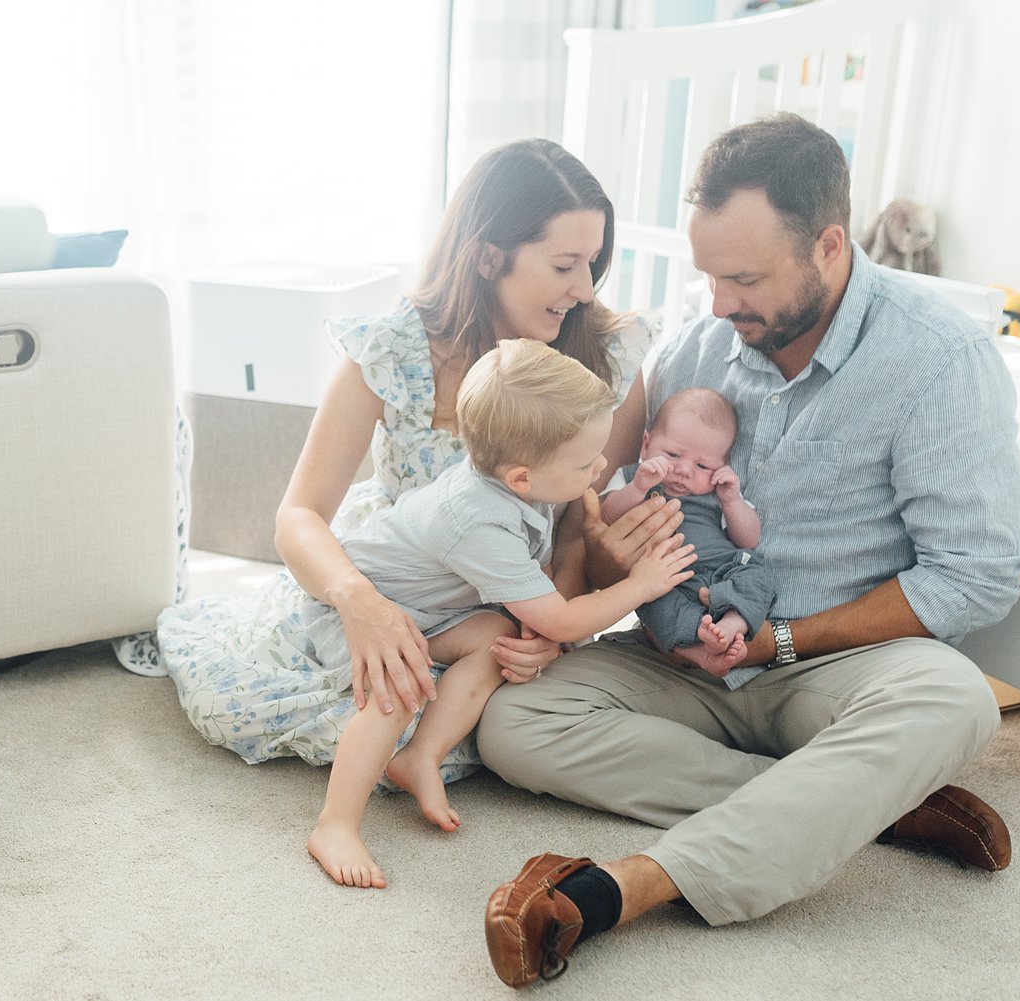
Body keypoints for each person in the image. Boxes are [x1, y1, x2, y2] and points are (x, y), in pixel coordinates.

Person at [476, 112, 1020, 989]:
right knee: (513, 719)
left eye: (742, 278)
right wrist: (615, 556)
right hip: (683, 656)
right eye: (708, 275)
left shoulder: (939, 362)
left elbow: (972, 578)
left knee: (958, 699)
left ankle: (623, 885)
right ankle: (860, 803)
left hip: (835, 666)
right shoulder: (702, 346)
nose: (718, 304)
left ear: (828, 245)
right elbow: (594, 488)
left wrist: (779, 642)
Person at [155, 137, 685, 861]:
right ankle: (339, 817)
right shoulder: (395, 350)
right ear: (488, 253)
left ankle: (424, 746)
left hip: (508, 601)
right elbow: (298, 516)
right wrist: (362, 605)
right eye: (564, 265)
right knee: (340, 700)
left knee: (493, 713)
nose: (587, 288)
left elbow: (571, 529)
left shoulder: (607, 361)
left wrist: (548, 633)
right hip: (398, 579)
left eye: (595, 263)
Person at [305, 339, 696, 887]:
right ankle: (336, 823)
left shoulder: (530, 481)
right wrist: (641, 584)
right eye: (587, 462)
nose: (602, 466)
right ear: (521, 479)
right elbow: (560, 620)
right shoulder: (475, 520)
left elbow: (551, 585)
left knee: (496, 637)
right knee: (401, 677)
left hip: (433, 610)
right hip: (371, 610)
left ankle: (420, 756)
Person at [598, 386, 773, 686]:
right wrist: (638, 489)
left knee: (759, 575)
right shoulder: (632, 478)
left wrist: (733, 502)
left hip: (721, 569)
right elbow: (607, 514)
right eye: (673, 454)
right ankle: (698, 652)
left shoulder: (719, 495)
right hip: (664, 578)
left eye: (702, 465)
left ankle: (733, 623)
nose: (683, 471)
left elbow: (749, 539)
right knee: (648, 600)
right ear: (646, 444)